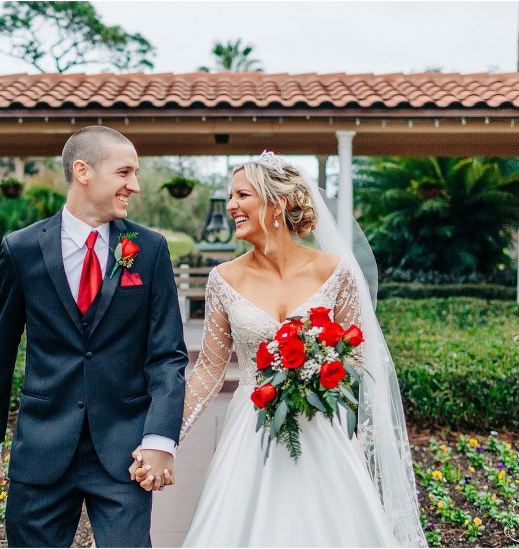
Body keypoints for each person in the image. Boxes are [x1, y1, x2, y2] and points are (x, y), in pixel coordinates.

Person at [133, 151, 427, 547]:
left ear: (278, 203)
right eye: (231, 196)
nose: (231, 206)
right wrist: (164, 438)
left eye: (242, 195)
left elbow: (355, 356)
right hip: (250, 433)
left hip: (323, 432)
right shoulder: (223, 279)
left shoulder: (335, 272)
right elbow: (208, 372)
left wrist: (324, 383)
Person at [0, 125, 188, 548]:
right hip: (42, 446)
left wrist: (160, 439)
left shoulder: (148, 249)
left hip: (125, 453)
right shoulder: (22, 249)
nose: (136, 186)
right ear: (83, 171)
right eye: (124, 173)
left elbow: (167, 357)